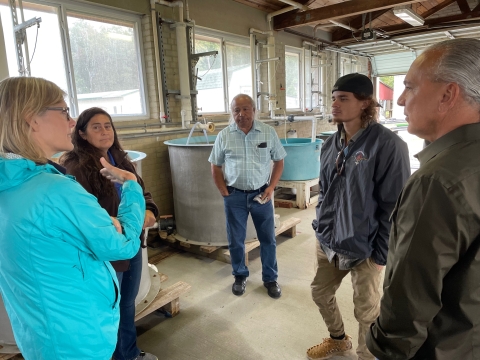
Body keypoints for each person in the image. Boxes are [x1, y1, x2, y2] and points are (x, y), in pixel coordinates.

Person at [0, 77, 145, 359]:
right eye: (64, 111)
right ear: (32, 119)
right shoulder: (55, 190)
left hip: (40, 334)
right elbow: (122, 245)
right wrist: (132, 188)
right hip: (78, 339)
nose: (71, 121)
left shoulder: (9, 185)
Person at [366, 38, 480, 360]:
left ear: (448, 95)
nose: (401, 99)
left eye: (410, 87)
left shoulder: (438, 181)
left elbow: (409, 300)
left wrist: (385, 349)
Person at [307, 73, 410, 360]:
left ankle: (367, 355)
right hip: (328, 241)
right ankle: (338, 339)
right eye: (333, 98)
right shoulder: (331, 145)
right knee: (319, 293)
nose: (335, 104)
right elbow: (325, 192)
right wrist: (320, 229)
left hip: (366, 247)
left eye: (343, 99)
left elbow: (394, 206)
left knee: (366, 310)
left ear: (365, 103)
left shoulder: (388, 146)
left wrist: (381, 254)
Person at [61, 107, 158, 360]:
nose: (105, 131)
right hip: (104, 254)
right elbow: (84, 215)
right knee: (108, 309)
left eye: (108, 125)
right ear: (81, 133)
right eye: (96, 127)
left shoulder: (120, 159)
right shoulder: (76, 167)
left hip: (132, 244)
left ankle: (129, 353)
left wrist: (149, 210)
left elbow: (141, 191)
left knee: (126, 305)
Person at [208, 94, 286, 298]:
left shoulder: (268, 133)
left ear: (253, 110)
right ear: (231, 112)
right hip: (235, 197)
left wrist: (271, 188)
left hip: (262, 195)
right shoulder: (224, 135)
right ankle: (240, 276)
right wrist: (224, 192)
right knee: (236, 240)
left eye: (245, 109)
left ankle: (270, 278)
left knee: (268, 238)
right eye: (236, 110)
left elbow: (279, 161)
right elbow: (215, 165)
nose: (241, 114)